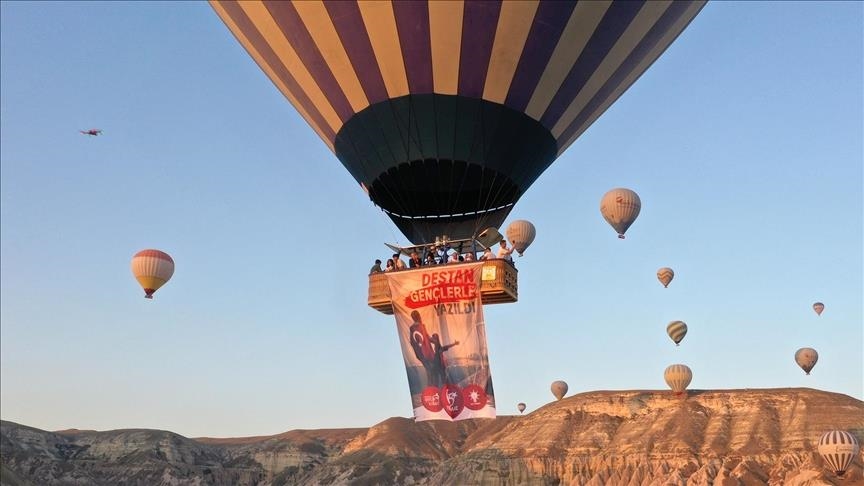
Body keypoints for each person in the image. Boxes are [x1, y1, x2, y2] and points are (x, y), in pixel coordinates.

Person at [408, 311, 436, 386]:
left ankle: (431, 387)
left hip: (421, 353)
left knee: (429, 370)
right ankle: (431, 388)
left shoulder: (412, 328)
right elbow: (427, 337)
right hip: (427, 352)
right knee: (430, 370)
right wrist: (436, 342)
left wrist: (417, 352)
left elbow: (412, 342)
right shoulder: (420, 326)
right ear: (418, 316)